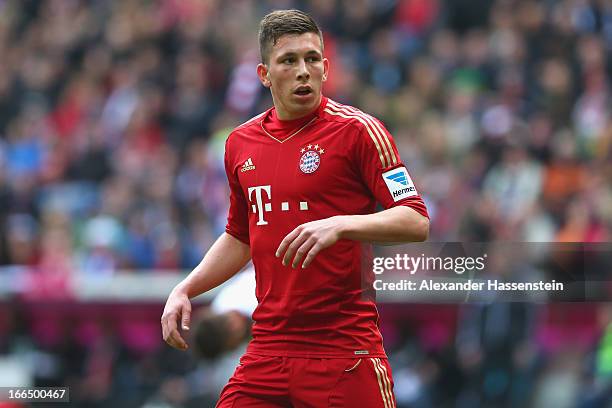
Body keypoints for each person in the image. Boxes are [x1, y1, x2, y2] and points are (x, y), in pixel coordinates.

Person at [161, 9, 429, 407]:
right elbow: (240, 235)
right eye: (288, 60)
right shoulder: (240, 144)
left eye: (312, 58)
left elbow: (416, 219)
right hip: (268, 350)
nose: (304, 70)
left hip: (343, 352)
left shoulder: (359, 132)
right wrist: (186, 287)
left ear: (325, 66)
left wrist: (341, 224)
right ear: (264, 75)